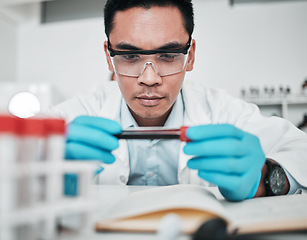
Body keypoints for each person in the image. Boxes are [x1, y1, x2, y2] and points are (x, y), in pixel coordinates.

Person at [48, 0, 307, 201]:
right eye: (129, 56)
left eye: (169, 55)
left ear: (190, 55)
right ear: (109, 56)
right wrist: (43, 178)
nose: (149, 78)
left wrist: (267, 177)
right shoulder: (76, 115)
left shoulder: (222, 110)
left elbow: (301, 151)